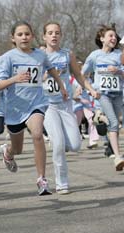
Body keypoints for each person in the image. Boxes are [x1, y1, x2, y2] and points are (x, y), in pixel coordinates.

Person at [0, 21, 68, 195]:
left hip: (36, 104)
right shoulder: (7, 58)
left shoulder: (40, 55)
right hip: (14, 109)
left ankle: (41, 179)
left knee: (37, 134)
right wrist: (15, 79)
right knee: (17, 149)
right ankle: (8, 152)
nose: (24, 37)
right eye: (20, 34)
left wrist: (61, 86)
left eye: (27, 34)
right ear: (13, 38)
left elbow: (52, 69)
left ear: (33, 36)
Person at [42, 22, 99, 194]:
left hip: (65, 104)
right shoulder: (38, 56)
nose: (54, 36)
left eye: (57, 33)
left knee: (75, 145)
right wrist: (45, 75)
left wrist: (91, 90)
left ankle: (59, 140)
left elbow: (79, 76)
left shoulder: (67, 54)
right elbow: (32, 80)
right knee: (58, 144)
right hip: (47, 106)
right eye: (50, 33)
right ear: (44, 36)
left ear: (61, 35)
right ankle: (62, 182)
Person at [82, 24, 124, 171]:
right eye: (110, 36)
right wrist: (91, 90)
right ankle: (118, 157)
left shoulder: (119, 54)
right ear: (102, 39)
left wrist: (118, 71)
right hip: (103, 94)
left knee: (116, 124)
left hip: (117, 93)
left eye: (115, 36)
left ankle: (98, 117)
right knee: (113, 123)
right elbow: (82, 75)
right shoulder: (95, 55)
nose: (113, 38)